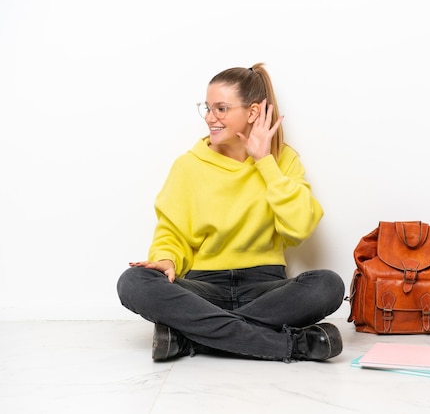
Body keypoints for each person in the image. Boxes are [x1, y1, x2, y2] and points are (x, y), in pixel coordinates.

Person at [117, 63, 345, 362]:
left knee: (328, 285)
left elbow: (299, 227)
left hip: (264, 287)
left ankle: (190, 338)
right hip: (202, 287)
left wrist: (265, 162)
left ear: (251, 113)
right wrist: (165, 258)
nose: (211, 118)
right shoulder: (189, 166)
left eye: (221, 109)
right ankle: (290, 346)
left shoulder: (281, 160)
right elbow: (172, 232)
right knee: (133, 281)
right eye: (208, 108)